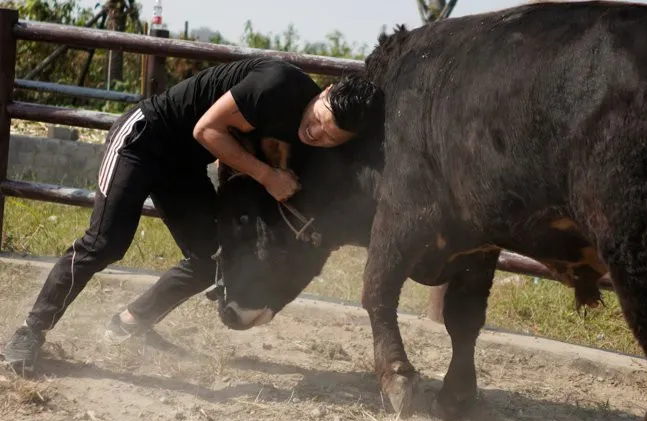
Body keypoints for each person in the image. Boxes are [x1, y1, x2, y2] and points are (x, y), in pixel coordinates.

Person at [2, 56, 384, 374]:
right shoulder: (276, 85)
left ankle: (130, 322)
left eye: (330, 137)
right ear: (326, 92)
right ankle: (29, 332)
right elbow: (206, 130)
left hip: (182, 166)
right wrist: (268, 177)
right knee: (105, 243)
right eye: (319, 119)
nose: (315, 133)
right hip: (143, 140)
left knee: (210, 257)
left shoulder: (312, 136)